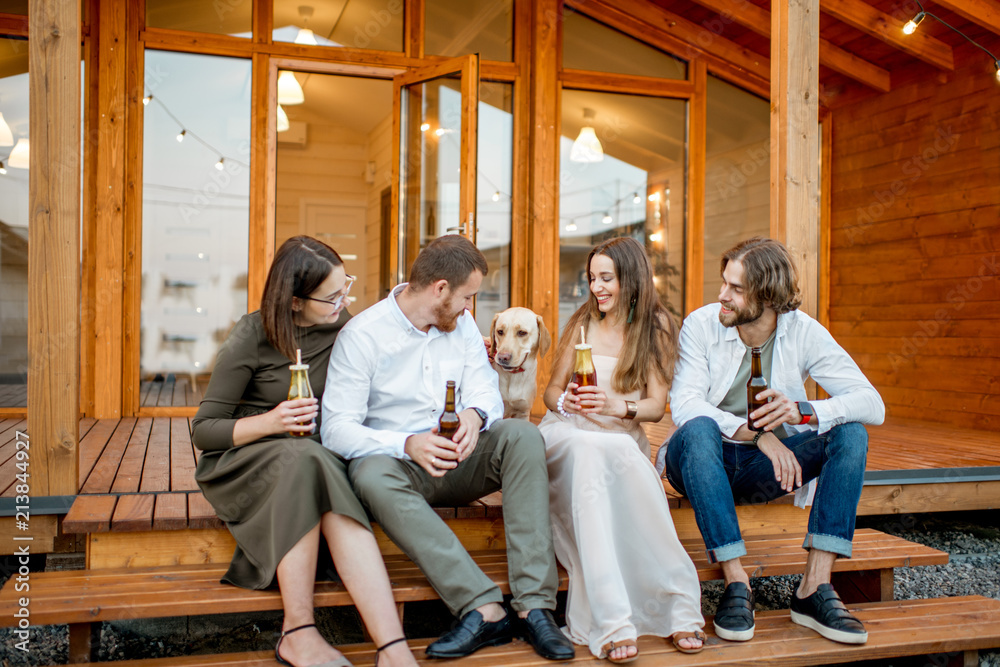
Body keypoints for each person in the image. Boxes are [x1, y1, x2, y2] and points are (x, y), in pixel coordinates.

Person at [322, 234, 575, 662]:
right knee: (368, 473)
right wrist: (406, 443)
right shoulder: (362, 335)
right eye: (467, 297)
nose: (470, 309)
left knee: (524, 435)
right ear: (440, 289)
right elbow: (336, 429)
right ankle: (483, 607)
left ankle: (535, 606)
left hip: (461, 461)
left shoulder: (461, 331)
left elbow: (486, 391)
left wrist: (477, 414)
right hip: (401, 469)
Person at [192, 236, 417, 667]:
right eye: (332, 295)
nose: (344, 300)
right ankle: (298, 630)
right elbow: (205, 430)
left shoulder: (343, 324)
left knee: (314, 462)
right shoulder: (252, 335)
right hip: (247, 456)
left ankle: (393, 649)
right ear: (294, 302)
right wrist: (272, 422)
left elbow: (389, 370)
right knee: (306, 461)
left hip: (313, 453)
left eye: (345, 286)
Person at [657, 236, 885, 646]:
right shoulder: (701, 324)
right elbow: (686, 405)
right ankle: (736, 581)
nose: (722, 295)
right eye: (723, 282)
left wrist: (803, 412)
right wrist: (760, 436)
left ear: (767, 294)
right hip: (700, 458)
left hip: (767, 470)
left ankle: (814, 588)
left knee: (851, 433)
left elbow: (872, 403)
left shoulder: (803, 332)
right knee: (699, 427)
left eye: (736, 288)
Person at [539, 237, 705, 663]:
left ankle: (675, 601)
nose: (597, 288)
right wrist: (565, 402)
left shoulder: (657, 327)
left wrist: (617, 406)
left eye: (606, 278)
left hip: (619, 440)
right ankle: (612, 619)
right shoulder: (582, 321)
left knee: (618, 453)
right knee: (589, 446)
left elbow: (655, 406)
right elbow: (551, 391)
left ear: (631, 278)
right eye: (592, 278)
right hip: (568, 436)